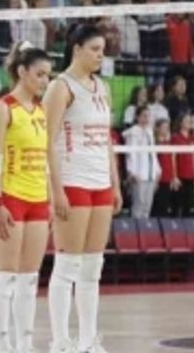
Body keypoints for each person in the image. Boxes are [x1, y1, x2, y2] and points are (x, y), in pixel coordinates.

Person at [45, 24, 119, 353]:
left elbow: (107, 141)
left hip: (100, 184)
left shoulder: (103, 87)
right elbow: (46, 142)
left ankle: (89, 340)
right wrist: (56, 189)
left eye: (103, 50)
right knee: (67, 265)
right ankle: (61, 341)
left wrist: (115, 183)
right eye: (95, 49)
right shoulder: (60, 87)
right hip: (73, 182)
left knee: (92, 267)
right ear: (76, 49)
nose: (101, 55)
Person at [0, 42, 53, 353]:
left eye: (48, 76)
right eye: (39, 74)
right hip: (11, 199)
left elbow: (46, 159)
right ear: (22, 72)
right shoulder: (4, 108)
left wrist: (50, 198)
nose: (44, 81)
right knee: (6, 276)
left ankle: (24, 345)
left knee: (29, 279)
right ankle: (3, 346)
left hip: (38, 200)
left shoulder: (41, 111)